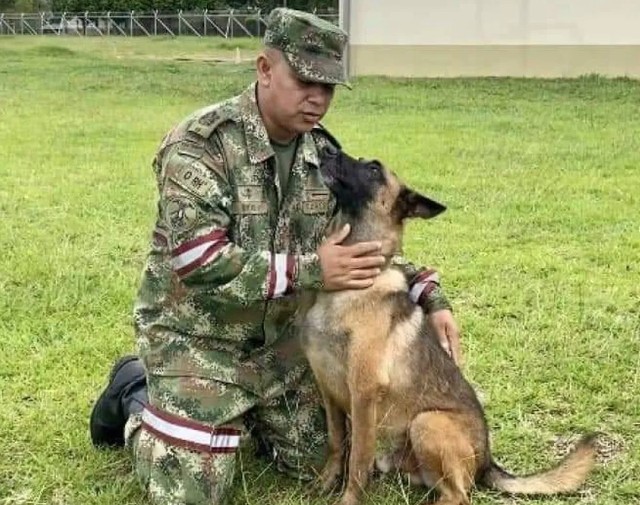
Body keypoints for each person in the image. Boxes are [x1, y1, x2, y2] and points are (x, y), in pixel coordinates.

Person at [89, 7, 462, 505]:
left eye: (329, 87)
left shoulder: (323, 157)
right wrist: (311, 269)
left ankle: (240, 416)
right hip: (200, 340)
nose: (318, 98)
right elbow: (200, 262)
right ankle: (135, 392)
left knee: (332, 455)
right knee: (193, 490)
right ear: (264, 68)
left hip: (282, 347)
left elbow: (360, 248)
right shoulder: (200, 146)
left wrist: (429, 296)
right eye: (306, 80)